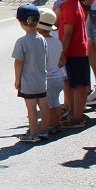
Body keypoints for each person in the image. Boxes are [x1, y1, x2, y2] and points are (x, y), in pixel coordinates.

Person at [54, 0, 90, 128]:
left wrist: (61, 53)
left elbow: (67, 34)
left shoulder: (70, 8)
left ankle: (78, 117)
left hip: (75, 52)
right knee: (75, 83)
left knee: (78, 86)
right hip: (75, 51)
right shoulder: (69, 5)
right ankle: (74, 112)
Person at [11, 4, 50, 143]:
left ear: (21, 22)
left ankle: (33, 133)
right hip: (41, 79)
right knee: (44, 105)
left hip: (29, 81)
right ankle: (45, 130)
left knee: (31, 107)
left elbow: (18, 62)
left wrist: (17, 80)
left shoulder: (22, 42)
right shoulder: (42, 39)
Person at [35, 8, 65, 137]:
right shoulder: (56, 41)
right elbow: (61, 59)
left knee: (47, 105)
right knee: (55, 101)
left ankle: (49, 125)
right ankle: (57, 123)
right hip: (58, 76)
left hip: (48, 78)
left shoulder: (41, 42)